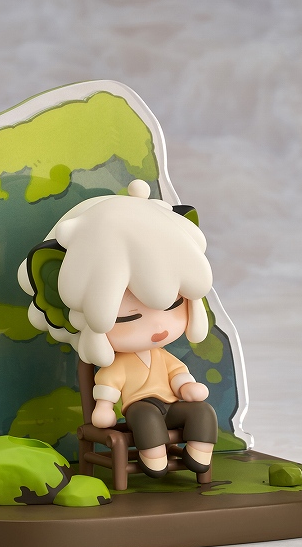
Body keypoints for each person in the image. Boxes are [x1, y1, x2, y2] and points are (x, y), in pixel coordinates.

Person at [18, 180, 218, 478]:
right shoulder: (118, 364)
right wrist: (103, 408)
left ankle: (198, 454)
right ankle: (154, 460)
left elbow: (177, 373)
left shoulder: (163, 357)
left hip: (172, 404)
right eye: (128, 318)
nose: (158, 328)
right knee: (146, 417)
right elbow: (108, 388)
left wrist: (186, 387)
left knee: (203, 411)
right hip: (139, 407)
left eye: (173, 306)